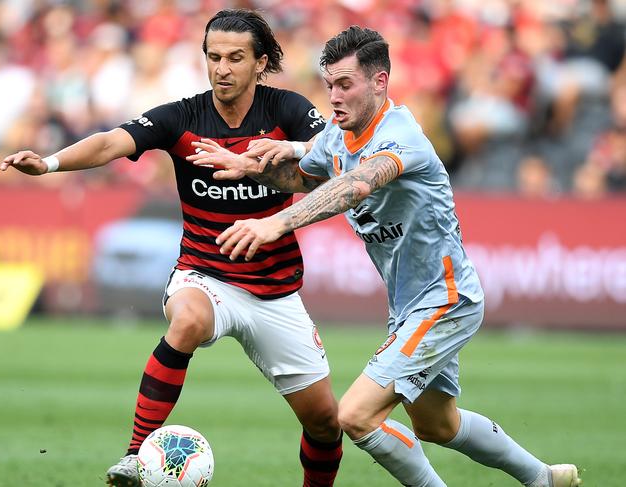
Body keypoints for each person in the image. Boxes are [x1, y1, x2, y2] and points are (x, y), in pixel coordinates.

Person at [191, 26, 581, 487]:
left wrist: (278, 223)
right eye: (329, 84)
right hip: (409, 307)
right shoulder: (339, 136)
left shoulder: (401, 136)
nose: (333, 97)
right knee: (438, 425)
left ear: (380, 82)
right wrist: (251, 167)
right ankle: (543, 478)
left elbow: (357, 184)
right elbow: (308, 177)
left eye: (346, 85)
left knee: (354, 415)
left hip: (445, 298)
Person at [0, 9, 343, 487]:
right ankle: (135, 454)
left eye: (236, 58)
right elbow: (109, 143)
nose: (222, 68)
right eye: (214, 56)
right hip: (205, 275)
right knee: (188, 320)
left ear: (260, 62)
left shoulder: (286, 109)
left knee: (326, 424)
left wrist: (260, 166)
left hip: (274, 290)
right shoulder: (181, 116)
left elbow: (335, 156)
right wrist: (51, 162)